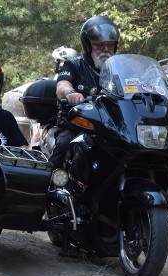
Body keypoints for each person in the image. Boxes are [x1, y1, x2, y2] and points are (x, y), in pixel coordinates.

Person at [50, 15, 120, 168]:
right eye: (99, 45)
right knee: (64, 144)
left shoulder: (119, 71)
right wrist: (70, 93)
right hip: (76, 124)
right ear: (88, 45)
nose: (106, 50)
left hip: (110, 128)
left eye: (110, 45)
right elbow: (62, 85)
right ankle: (50, 184)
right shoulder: (73, 65)